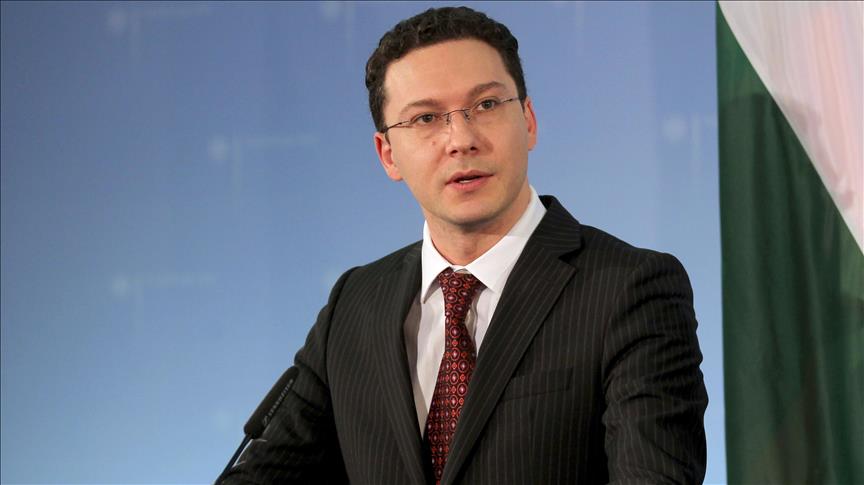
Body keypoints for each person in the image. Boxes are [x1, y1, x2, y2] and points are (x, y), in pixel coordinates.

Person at [223, 6, 707, 484]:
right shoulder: (353, 305)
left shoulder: (630, 290)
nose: (461, 139)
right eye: (426, 118)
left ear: (529, 120)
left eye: (487, 105)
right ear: (388, 155)